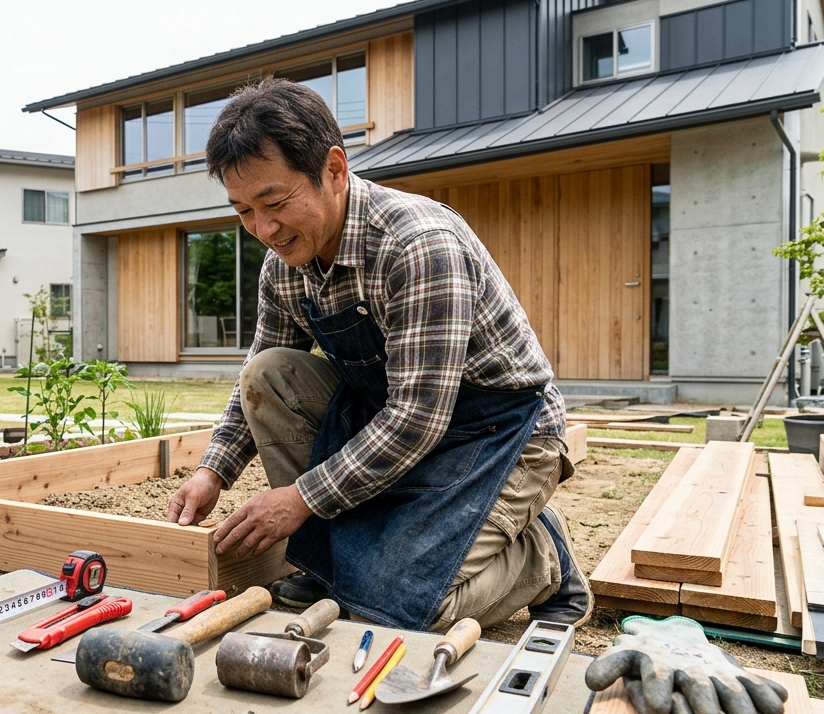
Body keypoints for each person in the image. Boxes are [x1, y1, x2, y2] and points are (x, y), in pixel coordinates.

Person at [165, 78, 590, 632]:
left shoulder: (418, 245)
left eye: (274, 202)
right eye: (243, 210)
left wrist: (302, 499)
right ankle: (334, 561)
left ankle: (541, 556)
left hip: (501, 435)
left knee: (407, 611)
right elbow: (263, 374)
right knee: (269, 375)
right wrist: (212, 472)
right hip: (393, 424)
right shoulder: (285, 267)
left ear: (334, 171)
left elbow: (418, 417)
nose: (264, 230)